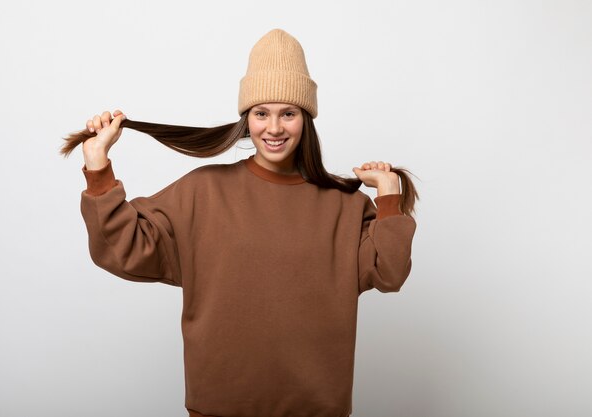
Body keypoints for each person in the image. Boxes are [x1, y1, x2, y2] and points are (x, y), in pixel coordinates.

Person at [63, 29, 418, 417]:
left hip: (317, 409)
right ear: (246, 118)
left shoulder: (344, 204)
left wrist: (388, 193)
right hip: (218, 407)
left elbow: (390, 272)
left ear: (307, 118)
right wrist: (98, 166)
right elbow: (123, 249)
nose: (275, 128)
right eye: (261, 113)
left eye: (289, 113)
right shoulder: (203, 192)